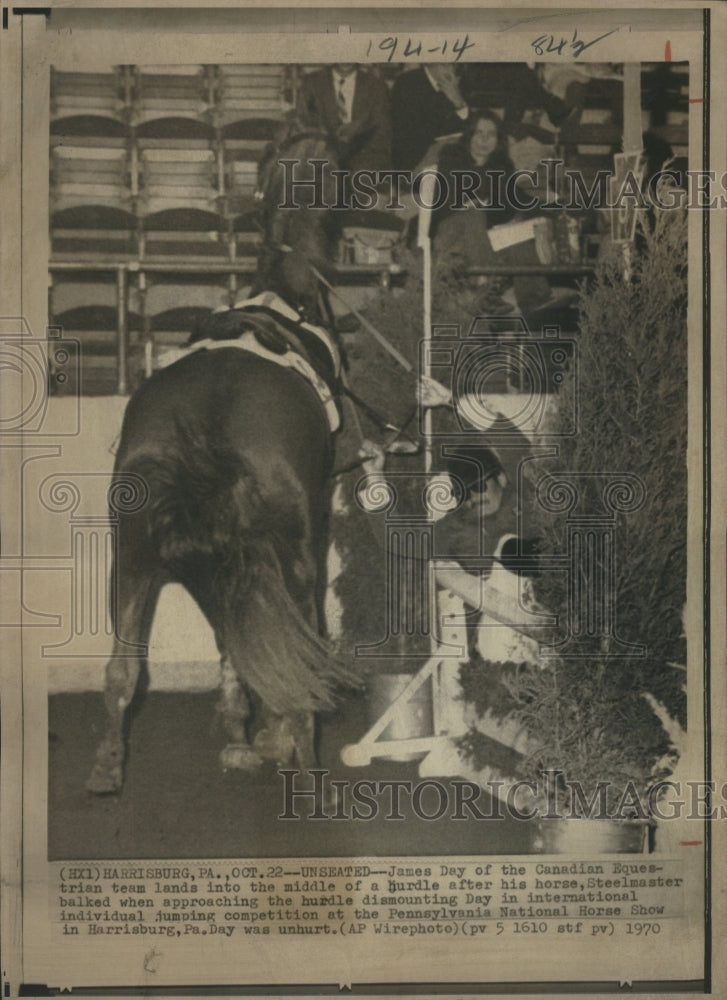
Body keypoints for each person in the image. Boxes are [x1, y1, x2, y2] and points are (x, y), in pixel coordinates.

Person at [431, 109, 555, 315]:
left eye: (491, 134)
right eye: (479, 133)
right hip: (450, 234)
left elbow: (518, 201)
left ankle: (535, 300)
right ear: (469, 135)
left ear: (499, 140)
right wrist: (474, 203)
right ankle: (485, 293)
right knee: (474, 214)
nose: (484, 140)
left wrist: (550, 209)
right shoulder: (451, 157)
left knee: (516, 233)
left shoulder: (502, 166)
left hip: (480, 241)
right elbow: (445, 201)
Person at [296, 63, 392, 174]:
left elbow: (382, 133)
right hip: (322, 160)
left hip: (364, 161)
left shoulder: (376, 86)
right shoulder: (311, 83)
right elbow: (303, 125)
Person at [390, 64, 470, 172]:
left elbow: (469, 129)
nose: (451, 70)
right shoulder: (407, 82)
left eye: (454, 65)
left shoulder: (456, 82)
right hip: (414, 163)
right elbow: (408, 133)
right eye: (446, 65)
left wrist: (458, 102)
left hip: (446, 158)